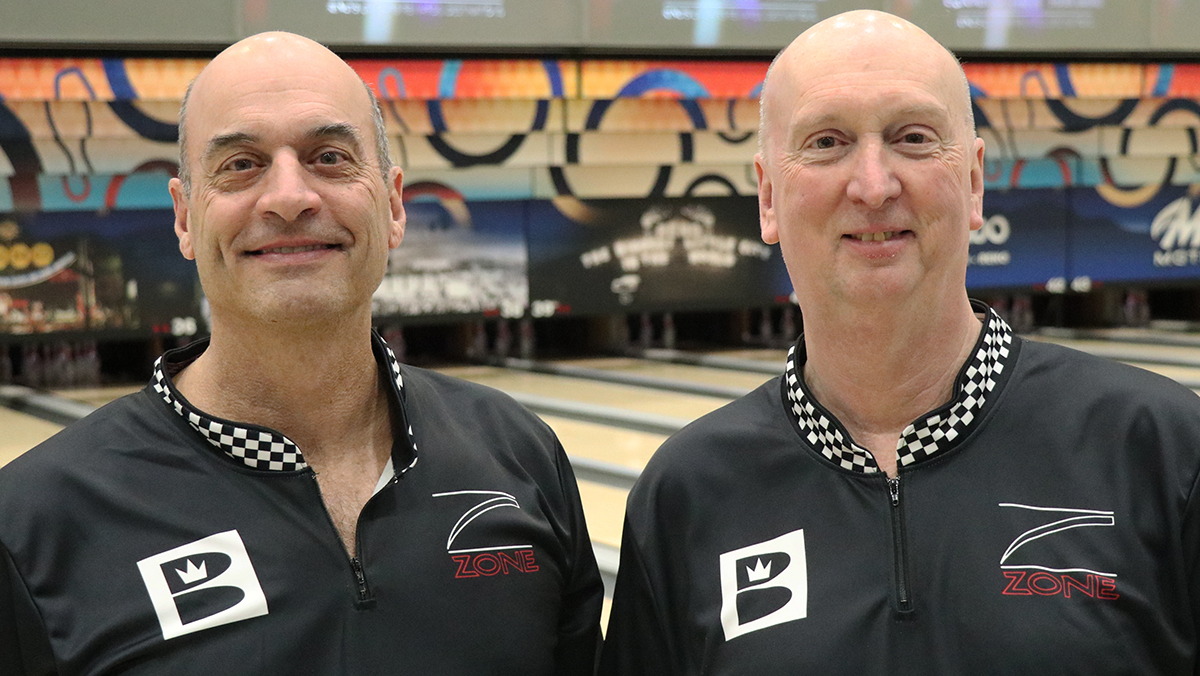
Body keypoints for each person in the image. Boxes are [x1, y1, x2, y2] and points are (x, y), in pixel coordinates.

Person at [599, 10, 1200, 675]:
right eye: (826, 142)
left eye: (913, 138)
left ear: (974, 182)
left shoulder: (1163, 449)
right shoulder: (686, 493)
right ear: (768, 197)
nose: (874, 185)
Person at [0, 33, 603, 675]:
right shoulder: (36, 520)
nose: (289, 197)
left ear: (394, 203)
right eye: (240, 164)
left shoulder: (521, 455)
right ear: (183, 218)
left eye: (330, 157)